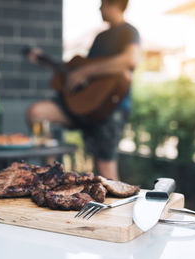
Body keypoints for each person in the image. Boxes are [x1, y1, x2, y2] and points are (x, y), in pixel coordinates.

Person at [26, 0, 140, 180]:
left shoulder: (128, 32)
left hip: (110, 109)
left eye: (103, 3)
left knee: (105, 171)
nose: (99, 8)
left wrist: (84, 72)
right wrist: (45, 61)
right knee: (37, 112)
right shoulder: (101, 37)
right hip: (85, 107)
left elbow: (130, 60)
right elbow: (81, 74)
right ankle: (50, 176)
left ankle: (116, 207)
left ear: (116, 4)